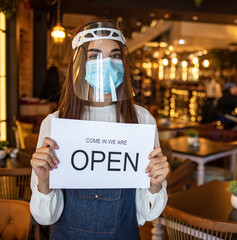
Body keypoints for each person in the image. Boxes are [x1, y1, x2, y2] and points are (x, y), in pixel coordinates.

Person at [29, 21, 169, 239]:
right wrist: (44, 181)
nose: (106, 63)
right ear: (80, 64)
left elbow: (147, 214)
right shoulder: (55, 123)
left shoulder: (142, 120)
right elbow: (44, 218)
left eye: (115, 55)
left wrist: (155, 183)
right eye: (94, 56)